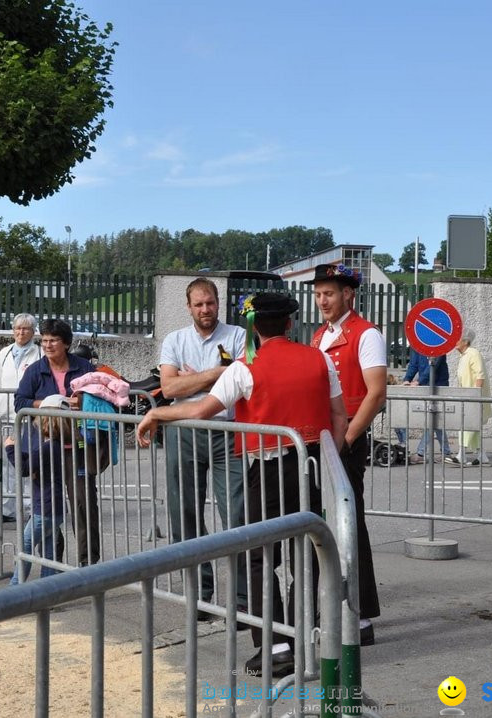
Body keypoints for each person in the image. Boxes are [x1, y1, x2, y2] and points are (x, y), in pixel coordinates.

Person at [137, 292, 347, 678]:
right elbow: (339, 416)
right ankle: (305, 639)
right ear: (289, 323)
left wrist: (157, 414)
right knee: (306, 553)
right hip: (311, 465)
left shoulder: (244, 367)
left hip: (265, 471)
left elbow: (201, 409)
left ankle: (277, 645)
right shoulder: (320, 358)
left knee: (258, 556)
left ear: (253, 328)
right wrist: (330, 461)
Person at [157, 277, 248, 615]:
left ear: (218, 303)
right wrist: (217, 374)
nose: (205, 309)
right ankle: (199, 595)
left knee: (237, 515)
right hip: (184, 432)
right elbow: (167, 389)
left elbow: (242, 379)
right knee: (185, 514)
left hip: (228, 431)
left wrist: (191, 380)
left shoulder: (238, 336)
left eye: (210, 302)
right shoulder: (174, 340)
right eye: (198, 304)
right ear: (188, 307)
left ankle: (242, 598)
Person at [309, 263, 385, 646]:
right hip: (324, 439)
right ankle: (329, 606)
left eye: (329, 293)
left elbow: (376, 394)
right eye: (319, 294)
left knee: (350, 525)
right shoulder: (319, 336)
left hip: (347, 440)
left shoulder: (366, 334)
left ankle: (362, 615)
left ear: (348, 295)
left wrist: (348, 440)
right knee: (326, 526)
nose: (322, 300)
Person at [14, 318, 108, 566]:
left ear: (66, 343)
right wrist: (49, 403)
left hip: (77, 447)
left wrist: (83, 403)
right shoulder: (35, 370)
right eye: (44, 340)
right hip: (46, 448)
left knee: (83, 505)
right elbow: (20, 402)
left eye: (53, 340)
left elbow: (102, 398)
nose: (47, 345)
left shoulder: (85, 367)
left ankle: (89, 564)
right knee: (48, 509)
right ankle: (53, 564)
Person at [8, 394, 72, 585]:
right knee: (48, 551)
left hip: (44, 507)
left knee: (25, 545)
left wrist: (10, 449)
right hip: (55, 507)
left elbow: (25, 468)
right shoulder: (55, 446)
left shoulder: (47, 447)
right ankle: (48, 591)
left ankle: (15, 588)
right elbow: (32, 462)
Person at [0, 313, 41, 525]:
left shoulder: (40, 354)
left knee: (28, 461)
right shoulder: (4, 353)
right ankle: (7, 509)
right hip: (6, 418)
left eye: (26, 329)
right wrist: (0, 404)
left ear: (33, 332)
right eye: (17, 328)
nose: (21, 332)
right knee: (6, 463)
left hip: (30, 418)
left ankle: (30, 508)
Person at [446, 329, 492, 467]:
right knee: (473, 427)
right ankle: (482, 456)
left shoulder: (473, 353)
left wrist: (476, 395)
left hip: (474, 398)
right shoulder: (464, 356)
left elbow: (480, 375)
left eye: (458, 339)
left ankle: (461, 455)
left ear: (465, 342)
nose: (455, 341)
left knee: (466, 426)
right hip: (468, 398)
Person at [400, 351, 453, 463]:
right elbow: (413, 364)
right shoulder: (417, 344)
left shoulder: (438, 346)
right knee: (435, 420)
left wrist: (419, 381)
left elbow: (433, 366)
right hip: (425, 386)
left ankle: (421, 452)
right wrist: (406, 380)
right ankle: (446, 452)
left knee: (432, 419)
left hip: (438, 386)